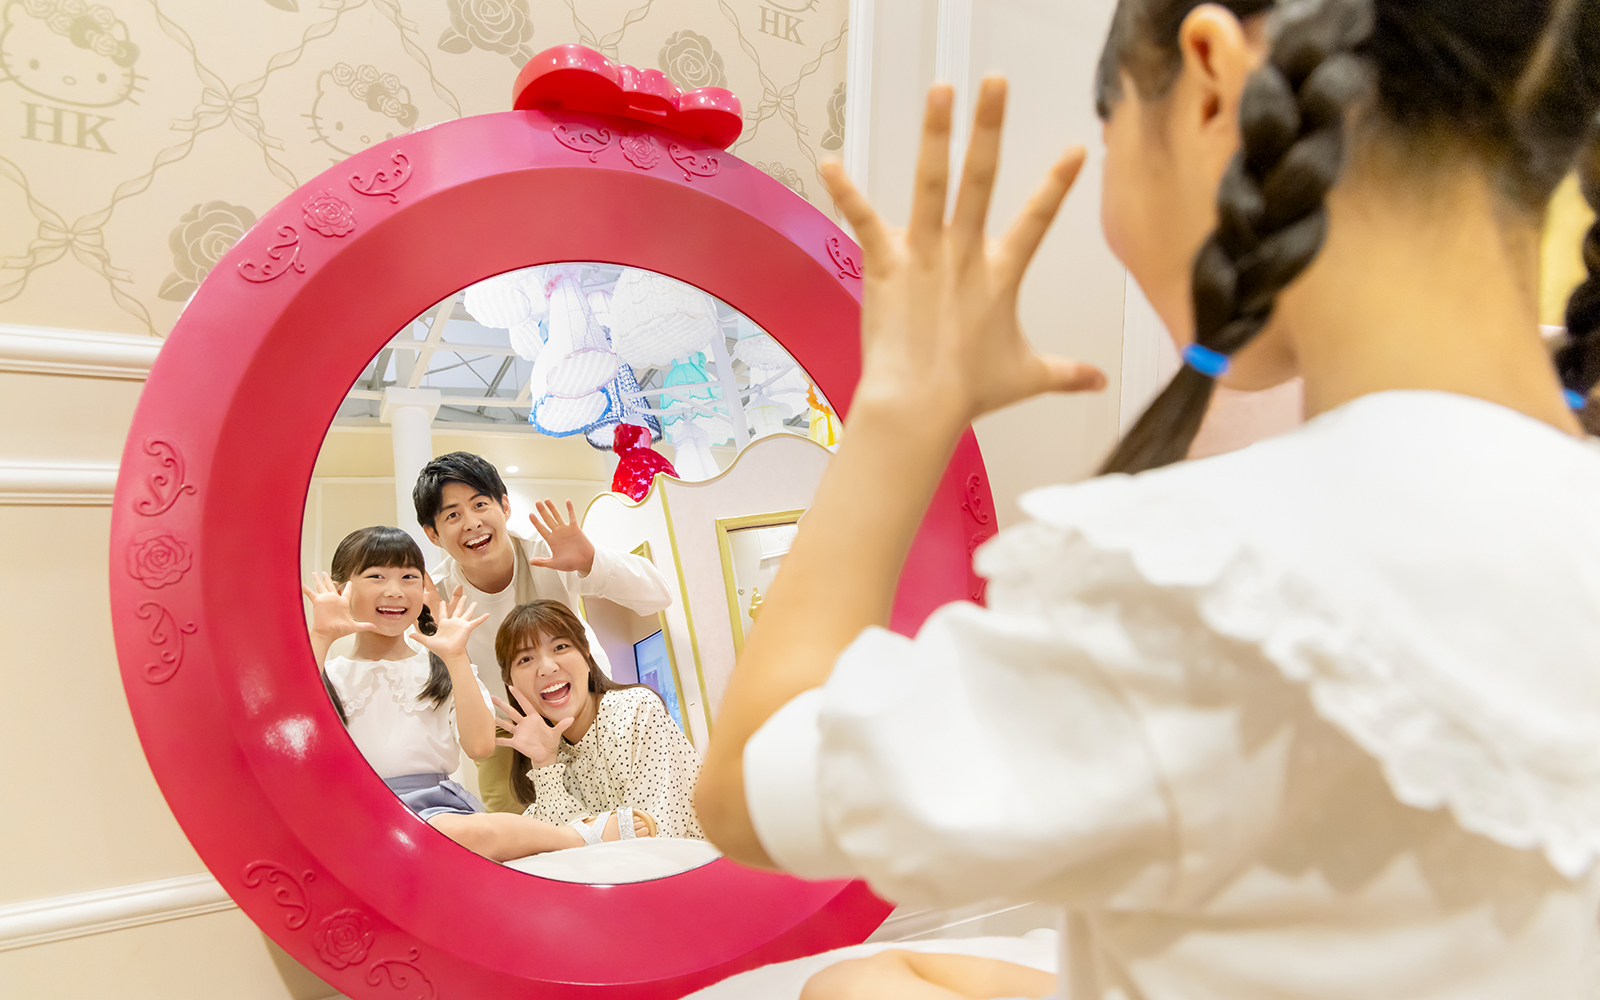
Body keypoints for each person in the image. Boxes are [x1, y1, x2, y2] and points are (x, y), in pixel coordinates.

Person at [695, 0, 1600, 997]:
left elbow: (746, 787)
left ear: (1210, 82)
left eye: (1109, 123)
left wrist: (905, 406)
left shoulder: (1207, 586)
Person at [305, 526, 652, 863]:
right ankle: (576, 835)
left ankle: (577, 837)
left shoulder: (440, 666)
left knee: (470, 831)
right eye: (376, 577)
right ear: (340, 587)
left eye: (409, 577)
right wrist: (320, 637)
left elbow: (481, 746)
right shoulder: (327, 672)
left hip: (437, 812)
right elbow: (293, 741)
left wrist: (456, 657)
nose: (395, 591)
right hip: (358, 813)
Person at [414, 451, 673, 814]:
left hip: (585, 707)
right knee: (521, 842)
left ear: (505, 506)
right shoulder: (435, 596)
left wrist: (590, 561)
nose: (471, 523)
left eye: (480, 504)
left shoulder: (549, 551)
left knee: (618, 818)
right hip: (506, 731)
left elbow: (658, 596)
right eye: (453, 515)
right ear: (433, 534)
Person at [494, 600, 705, 840]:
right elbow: (553, 854)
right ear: (510, 683)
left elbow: (654, 837)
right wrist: (544, 764)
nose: (547, 667)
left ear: (586, 653)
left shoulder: (636, 710)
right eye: (525, 659)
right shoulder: (546, 753)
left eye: (560, 647)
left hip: (698, 869)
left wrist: (585, 833)